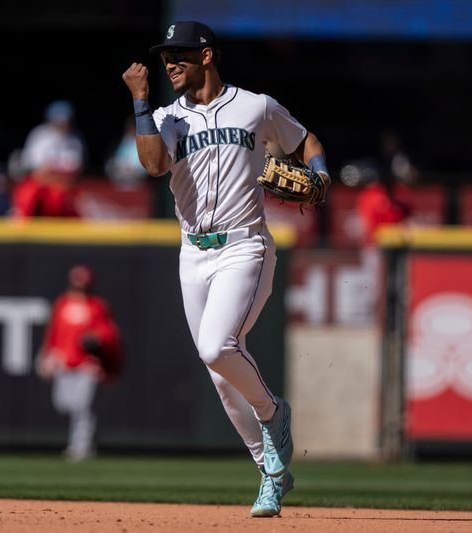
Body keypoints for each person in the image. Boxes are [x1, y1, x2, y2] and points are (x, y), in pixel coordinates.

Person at [122, 20, 331, 518]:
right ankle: (271, 473)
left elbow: (306, 142)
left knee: (217, 347)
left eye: (180, 55)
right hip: (193, 252)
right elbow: (152, 166)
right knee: (218, 372)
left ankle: (273, 414)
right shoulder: (167, 117)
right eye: (165, 56)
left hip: (244, 246)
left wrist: (319, 176)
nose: (169, 63)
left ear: (207, 56)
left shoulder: (255, 106)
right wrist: (140, 103)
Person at [36, 265, 123, 462]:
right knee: (64, 405)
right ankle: (80, 443)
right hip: (64, 362)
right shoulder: (63, 304)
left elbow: (108, 334)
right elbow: (53, 333)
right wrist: (47, 356)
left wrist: (99, 346)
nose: (79, 289)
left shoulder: (97, 306)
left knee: (83, 409)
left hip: (86, 365)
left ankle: (81, 448)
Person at [12, 101, 85, 218]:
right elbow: (36, 172)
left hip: (65, 188)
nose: (63, 124)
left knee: (79, 197)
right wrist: (56, 177)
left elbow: (76, 172)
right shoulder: (40, 135)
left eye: (66, 121)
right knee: (28, 191)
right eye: (59, 121)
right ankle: (21, 228)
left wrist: (62, 179)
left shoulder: (76, 139)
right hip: (42, 186)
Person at [105, 116, 149, 189]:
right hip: (118, 182)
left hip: (136, 185)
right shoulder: (124, 140)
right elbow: (115, 161)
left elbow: (146, 168)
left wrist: (133, 170)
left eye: (132, 127)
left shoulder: (145, 143)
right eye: (129, 128)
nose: (130, 130)